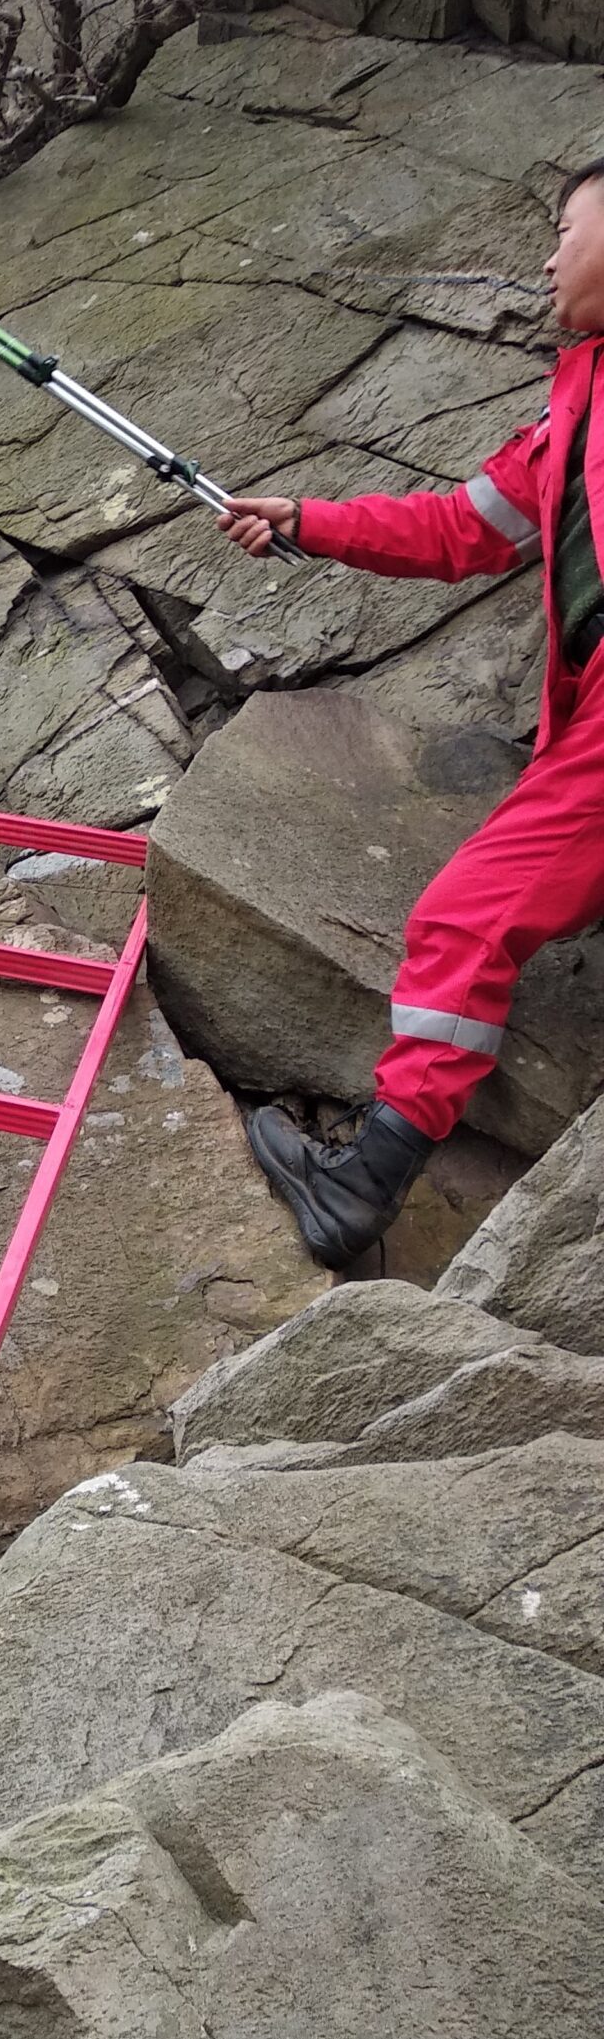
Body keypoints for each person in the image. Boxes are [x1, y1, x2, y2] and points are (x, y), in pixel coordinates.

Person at [217, 156, 604, 1269]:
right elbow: (455, 528)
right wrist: (306, 520)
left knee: (462, 923)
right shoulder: (568, 415)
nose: (545, 257)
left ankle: (365, 1180)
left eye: (564, 231)